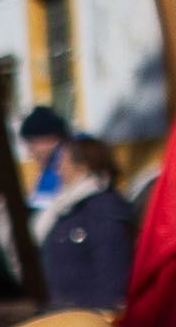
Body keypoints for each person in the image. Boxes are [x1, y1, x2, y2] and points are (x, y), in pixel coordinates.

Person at [36, 135, 135, 315]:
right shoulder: (65, 209)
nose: (58, 169)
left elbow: (112, 271)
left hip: (89, 320)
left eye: (63, 162)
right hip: (63, 317)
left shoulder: (103, 208)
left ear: (82, 166)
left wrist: (103, 316)